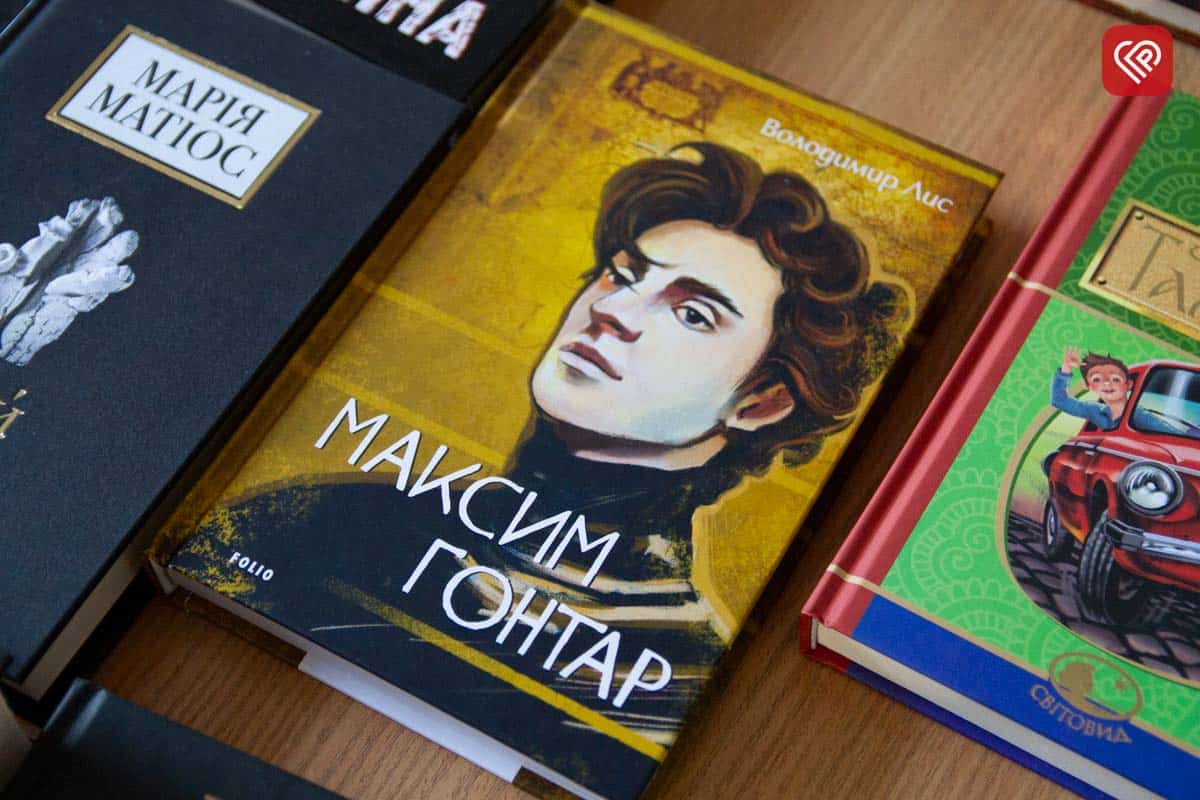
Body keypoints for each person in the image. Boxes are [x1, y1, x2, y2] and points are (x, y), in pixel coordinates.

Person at [175, 142, 909, 788]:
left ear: (760, 403)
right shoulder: (321, 517)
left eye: (692, 313)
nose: (613, 311)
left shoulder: (666, 674)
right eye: (622, 275)